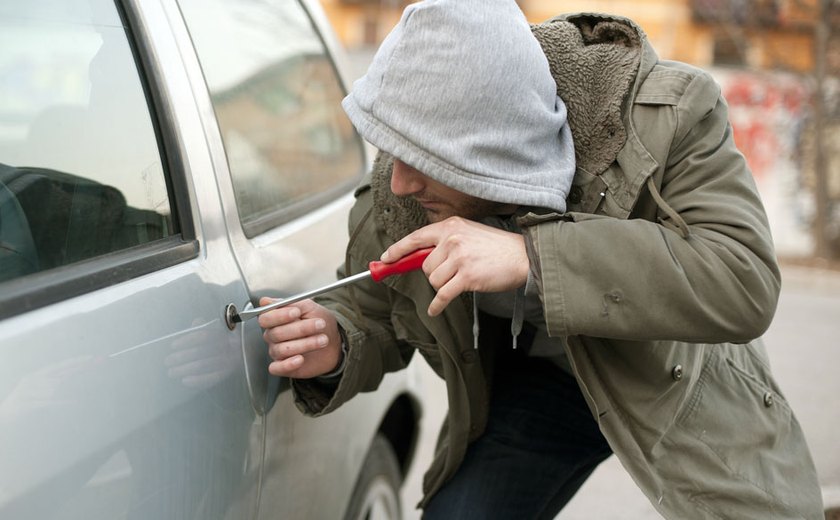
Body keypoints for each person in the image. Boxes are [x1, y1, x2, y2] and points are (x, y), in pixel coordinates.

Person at [258, 1, 824, 518]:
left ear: (488, 146)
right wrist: (336, 340)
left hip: (674, 372)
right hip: (544, 389)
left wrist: (531, 256)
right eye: (393, 150)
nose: (400, 182)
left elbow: (741, 279)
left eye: (423, 159)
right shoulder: (398, 194)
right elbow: (376, 309)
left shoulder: (670, 115)